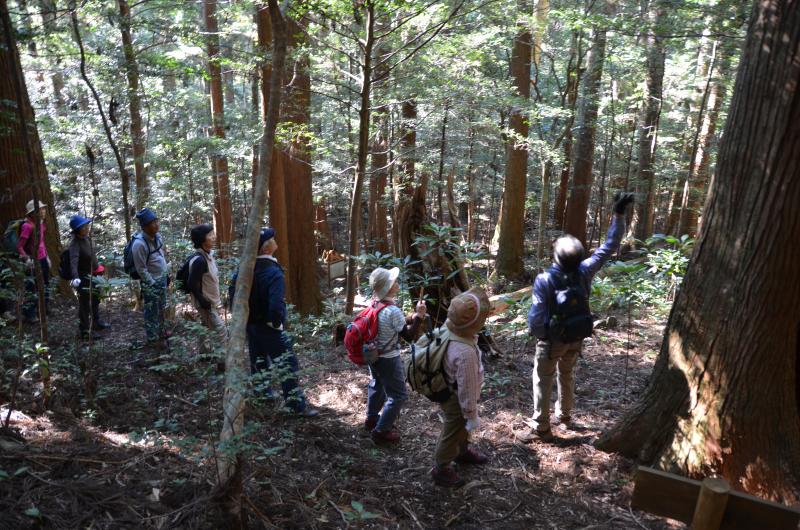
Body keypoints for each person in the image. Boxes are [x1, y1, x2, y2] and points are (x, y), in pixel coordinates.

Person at [518, 192, 635, 443]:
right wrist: (618, 215)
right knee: (567, 373)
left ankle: (541, 427)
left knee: (542, 378)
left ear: (556, 257)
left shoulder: (545, 279)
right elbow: (609, 247)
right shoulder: (585, 270)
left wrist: (541, 337)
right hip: (577, 334)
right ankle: (565, 415)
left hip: (552, 340)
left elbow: (537, 317)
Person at [244, 228, 318, 417]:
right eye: (272, 239)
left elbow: (234, 293)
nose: (275, 240)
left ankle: (263, 396)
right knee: (287, 363)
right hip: (268, 327)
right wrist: (275, 323)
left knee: (258, 361)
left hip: (250, 325)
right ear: (266, 248)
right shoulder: (272, 272)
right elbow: (276, 304)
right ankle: (296, 406)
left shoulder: (246, 269)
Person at [431, 287, 491, 488]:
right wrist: (471, 413)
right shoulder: (465, 353)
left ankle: (462, 451)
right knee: (453, 430)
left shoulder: (450, 330)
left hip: (450, 389)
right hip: (456, 398)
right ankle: (441, 467)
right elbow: (467, 387)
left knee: (461, 429)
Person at [364, 266, 426, 443]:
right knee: (398, 395)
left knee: (376, 385)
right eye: (394, 282)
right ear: (389, 288)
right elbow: (408, 336)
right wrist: (419, 316)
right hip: (389, 358)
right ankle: (381, 431)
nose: (397, 283)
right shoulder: (393, 311)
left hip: (373, 354)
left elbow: (392, 325)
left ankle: (372, 419)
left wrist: (411, 317)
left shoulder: (375, 303)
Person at [186, 224, 227, 355]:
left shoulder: (207, 255)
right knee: (221, 330)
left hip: (208, 301)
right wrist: (203, 301)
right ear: (202, 239)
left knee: (204, 326)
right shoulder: (199, 260)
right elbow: (191, 283)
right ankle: (222, 362)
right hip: (205, 303)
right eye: (210, 235)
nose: (214, 237)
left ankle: (203, 354)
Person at [67, 215, 110, 339]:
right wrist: (75, 278)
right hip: (83, 277)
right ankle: (85, 331)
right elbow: (73, 261)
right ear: (77, 229)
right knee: (85, 304)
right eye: (83, 227)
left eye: (86, 225)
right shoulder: (74, 244)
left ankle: (96, 322)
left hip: (94, 274)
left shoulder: (87, 238)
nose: (86, 228)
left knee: (95, 299)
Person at [131, 208, 169, 348]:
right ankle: (153, 338)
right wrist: (152, 283)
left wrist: (166, 274)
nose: (156, 225)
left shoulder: (157, 237)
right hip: (151, 283)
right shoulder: (139, 244)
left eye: (156, 221)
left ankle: (161, 331)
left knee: (161, 307)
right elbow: (141, 269)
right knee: (151, 310)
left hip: (162, 279)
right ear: (144, 226)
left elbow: (161, 255)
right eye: (152, 223)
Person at [17, 200, 50, 323]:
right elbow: (19, 246)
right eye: (39, 210)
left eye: (43, 209)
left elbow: (41, 242)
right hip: (32, 261)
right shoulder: (27, 226)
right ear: (32, 213)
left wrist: (47, 257)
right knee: (31, 286)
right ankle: (30, 314)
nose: (43, 211)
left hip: (42, 259)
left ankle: (44, 309)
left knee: (45, 284)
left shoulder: (41, 224)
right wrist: (27, 259)